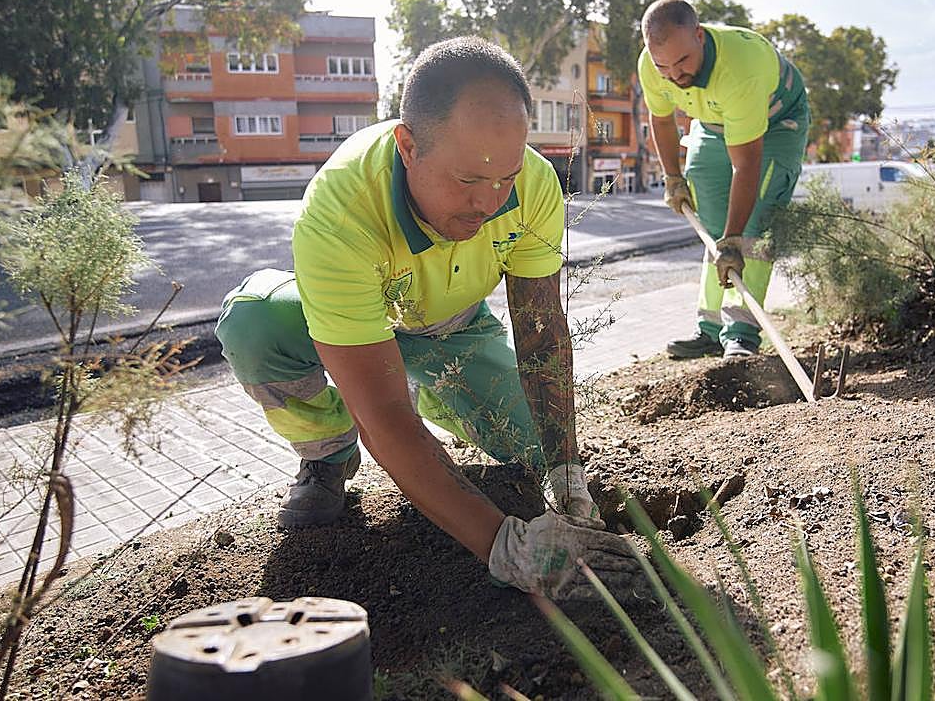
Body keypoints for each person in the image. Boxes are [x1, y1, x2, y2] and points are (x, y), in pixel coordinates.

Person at [215, 37, 638, 600]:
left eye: (504, 178)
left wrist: (563, 463)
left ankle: (443, 393)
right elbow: (383, 412)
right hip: (361, 330)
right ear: (408, 146)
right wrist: (503, 545)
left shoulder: (532, 185)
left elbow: (540, 333)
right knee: (255, 325)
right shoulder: (341, 212)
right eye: (467, 181)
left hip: (452, 328)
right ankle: (326, 456)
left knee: (532, 451)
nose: (490, 203)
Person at [638, 0, 810, 359]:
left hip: (776, 121)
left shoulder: (739, 69)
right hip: (713, 121)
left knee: (754, 225)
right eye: (663, 65)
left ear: (699, 36)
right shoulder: (653, 67)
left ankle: (742, 333)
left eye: (682, 61)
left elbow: (746, 165)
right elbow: (662, 118)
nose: (674, 75)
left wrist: (734, 238)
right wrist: (673, 176)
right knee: (712, 220)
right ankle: (711, 329)